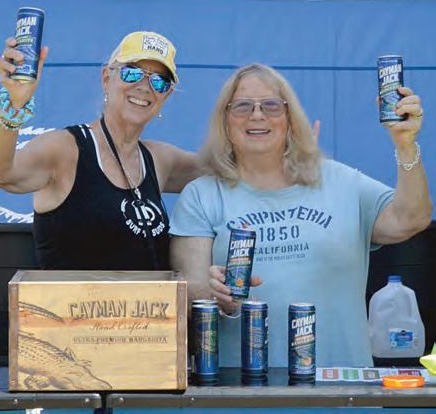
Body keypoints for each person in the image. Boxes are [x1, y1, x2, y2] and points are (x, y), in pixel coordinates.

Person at [169, 63, 432, 367]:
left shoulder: (340, 181)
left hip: (341, 386)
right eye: (242, 106)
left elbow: (411, 219)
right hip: (241, 388)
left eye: (271, 105)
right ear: (225, 121)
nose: (257, 115)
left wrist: (406, 144)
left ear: (290, 119)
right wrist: (215, 293)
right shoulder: (202, 195)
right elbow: (189, 292)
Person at [0, 31, 199, 270]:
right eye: (132, 73)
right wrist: (15, 105)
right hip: (68, 296)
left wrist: (233, 111)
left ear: (166, 96)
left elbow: (222, 168)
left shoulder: (159, 159)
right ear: (106, 78)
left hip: (150, 296)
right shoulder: (65, 150)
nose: (145, 87)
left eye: (159, 81)